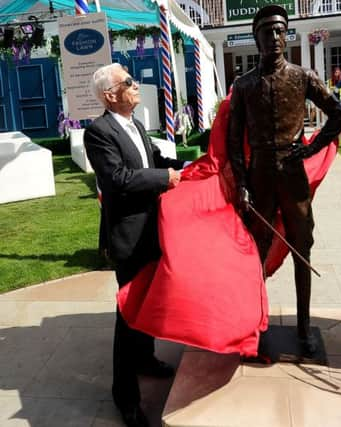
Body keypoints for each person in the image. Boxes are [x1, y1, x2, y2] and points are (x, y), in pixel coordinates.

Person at [227, 5, 341, 354]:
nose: (276, 38)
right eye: (268, 32)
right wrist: (242, 184)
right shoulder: (244, 85)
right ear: (257, 38)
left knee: (301, 250)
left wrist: (311, 150)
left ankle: (305, 328)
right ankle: (254, 323)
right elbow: (234, 140)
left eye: (281, 31)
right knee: (255, 254)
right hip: (259, 174)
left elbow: (338, 114)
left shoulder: (303, 76)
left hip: (293, 175)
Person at [84, 63, 185, 427]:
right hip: (128, 238)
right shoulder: (98, 132)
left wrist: (186, 166)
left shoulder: (136, 124)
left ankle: (146, 359)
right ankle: (124, 397)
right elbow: (117, 179)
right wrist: (164, 178)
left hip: (151, 232)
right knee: (128, 316)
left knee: (149, 305)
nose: (135, 84)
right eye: (128, 81)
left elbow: (151, 160)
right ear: (111, 95)